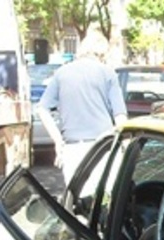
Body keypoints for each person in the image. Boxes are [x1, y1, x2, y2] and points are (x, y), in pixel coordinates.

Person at [37, 31, 127, 186]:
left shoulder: (62, 73)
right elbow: (120, 116)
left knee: (75, 202)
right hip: (103, 146)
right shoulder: (107, 73)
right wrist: (126, 146)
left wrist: (58, 141)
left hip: (72, 148)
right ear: (101, 52)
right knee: (104, 200)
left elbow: (42, 109)